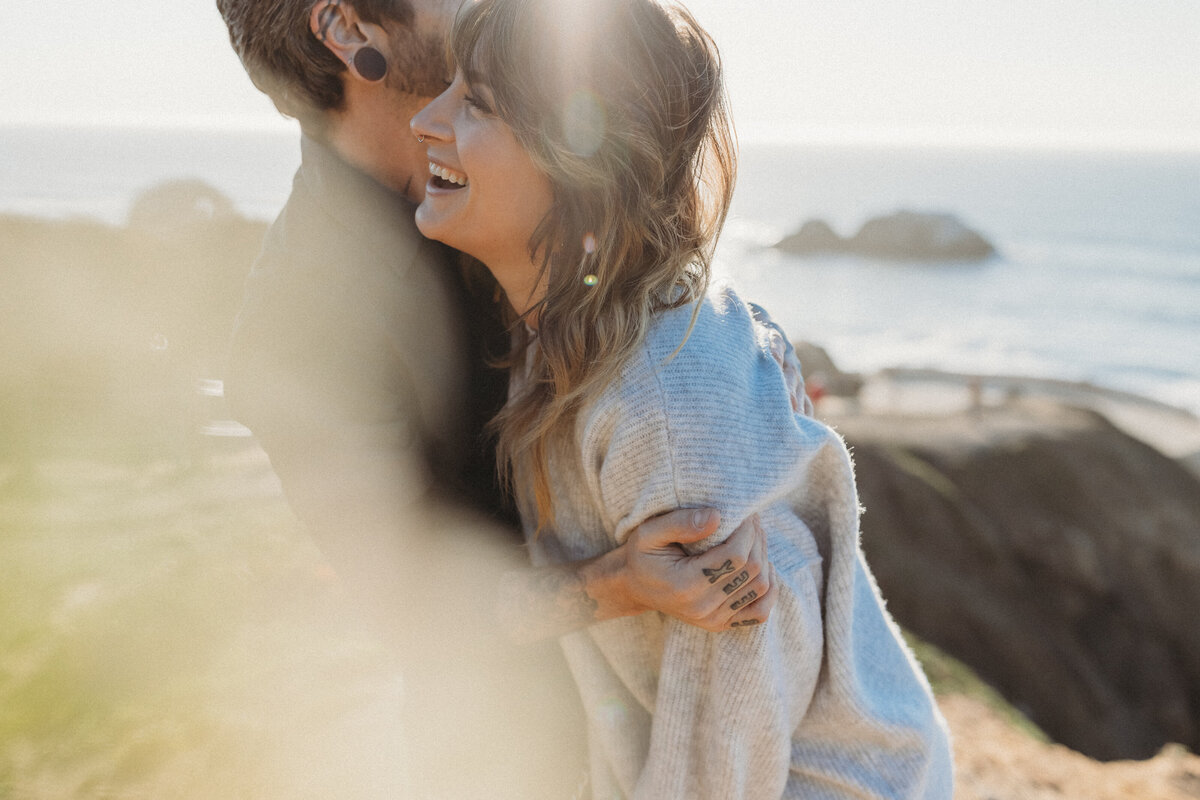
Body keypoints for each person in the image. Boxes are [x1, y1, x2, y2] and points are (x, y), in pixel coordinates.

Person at [214, 0, 780, 795]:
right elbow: (416, 609)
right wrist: (621, 581)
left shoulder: (532, 134)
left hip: (697, 716)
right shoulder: (296, 330)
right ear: (349, 31)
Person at [409, 0, 955, 797]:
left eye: (477, 102)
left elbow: (729, 735)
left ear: (580, 168)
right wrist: (617, 583)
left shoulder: (664, 414)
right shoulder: (563, 323)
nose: (427, 118)